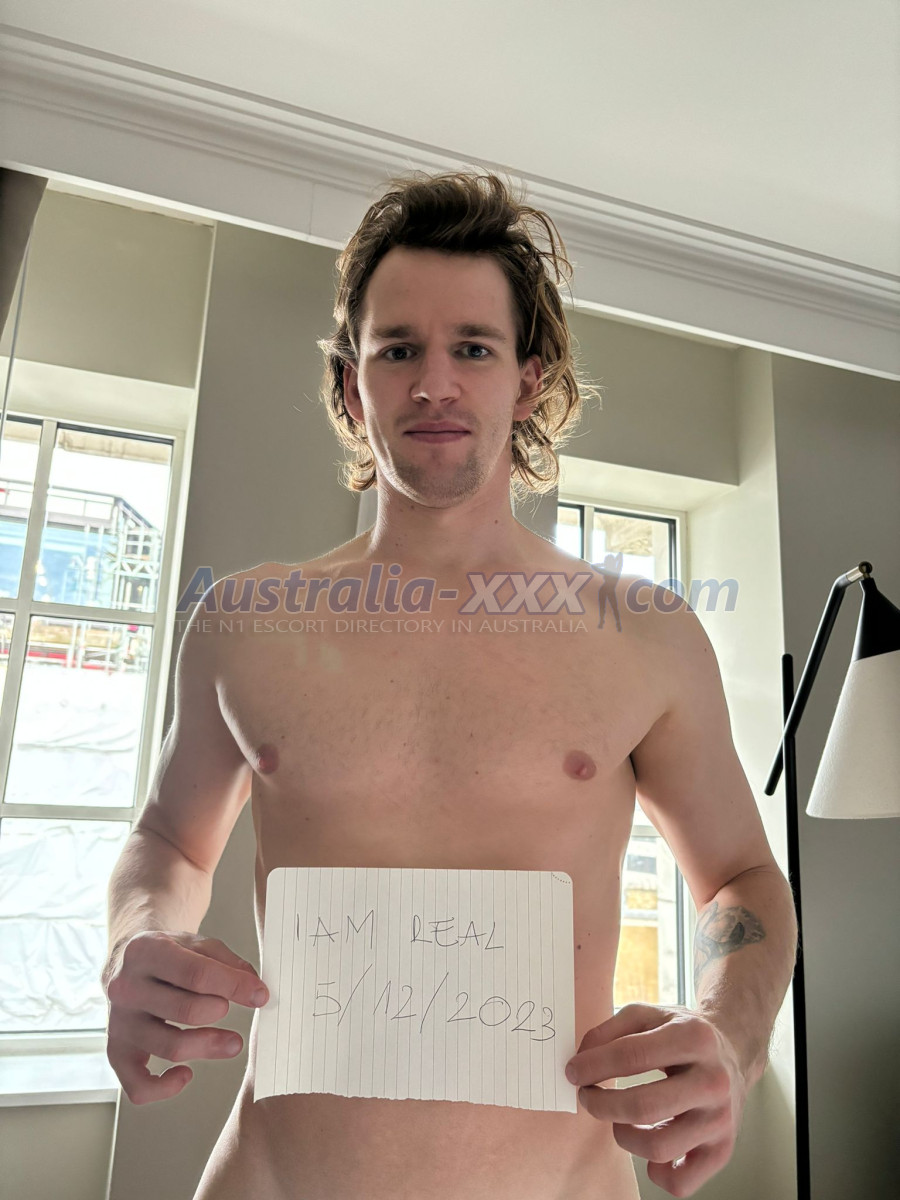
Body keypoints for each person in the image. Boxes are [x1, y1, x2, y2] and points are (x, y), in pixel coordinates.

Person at [101, 170, 798, 1200]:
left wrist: (729, 1039)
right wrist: (136, 939)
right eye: (398, 351)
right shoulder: (244, 624)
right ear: (353, 387)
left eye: (473, 347)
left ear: (528, 380)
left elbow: (742, 876)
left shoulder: (645, 636)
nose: (434, 384)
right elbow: (168, 842)